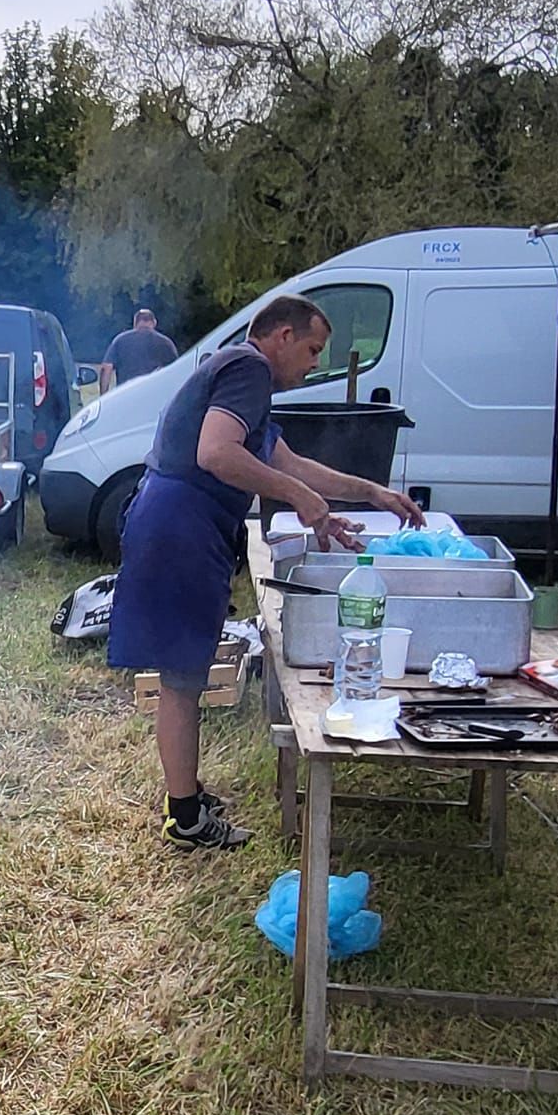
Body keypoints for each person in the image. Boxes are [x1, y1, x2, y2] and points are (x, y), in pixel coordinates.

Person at [106, 294, 424, 852]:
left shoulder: (245, 384)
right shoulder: (248, 368)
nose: (313, 364)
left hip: (182, 522)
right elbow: (216, 454)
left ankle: (186, 797)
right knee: (182, 680)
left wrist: (372, 492)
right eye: (310, 349)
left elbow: (291, 464)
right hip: (177, 523)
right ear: (280, 337)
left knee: (189, 673)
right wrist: (299, 497)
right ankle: (186, 819)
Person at [100, 307, 177, 391]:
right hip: (154, 394)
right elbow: (176, 370)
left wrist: (104, 395)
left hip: (126, 393)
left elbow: (107, 368)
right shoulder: (165, 343)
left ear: (135, 323)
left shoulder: (120, 340)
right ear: (154, 323)